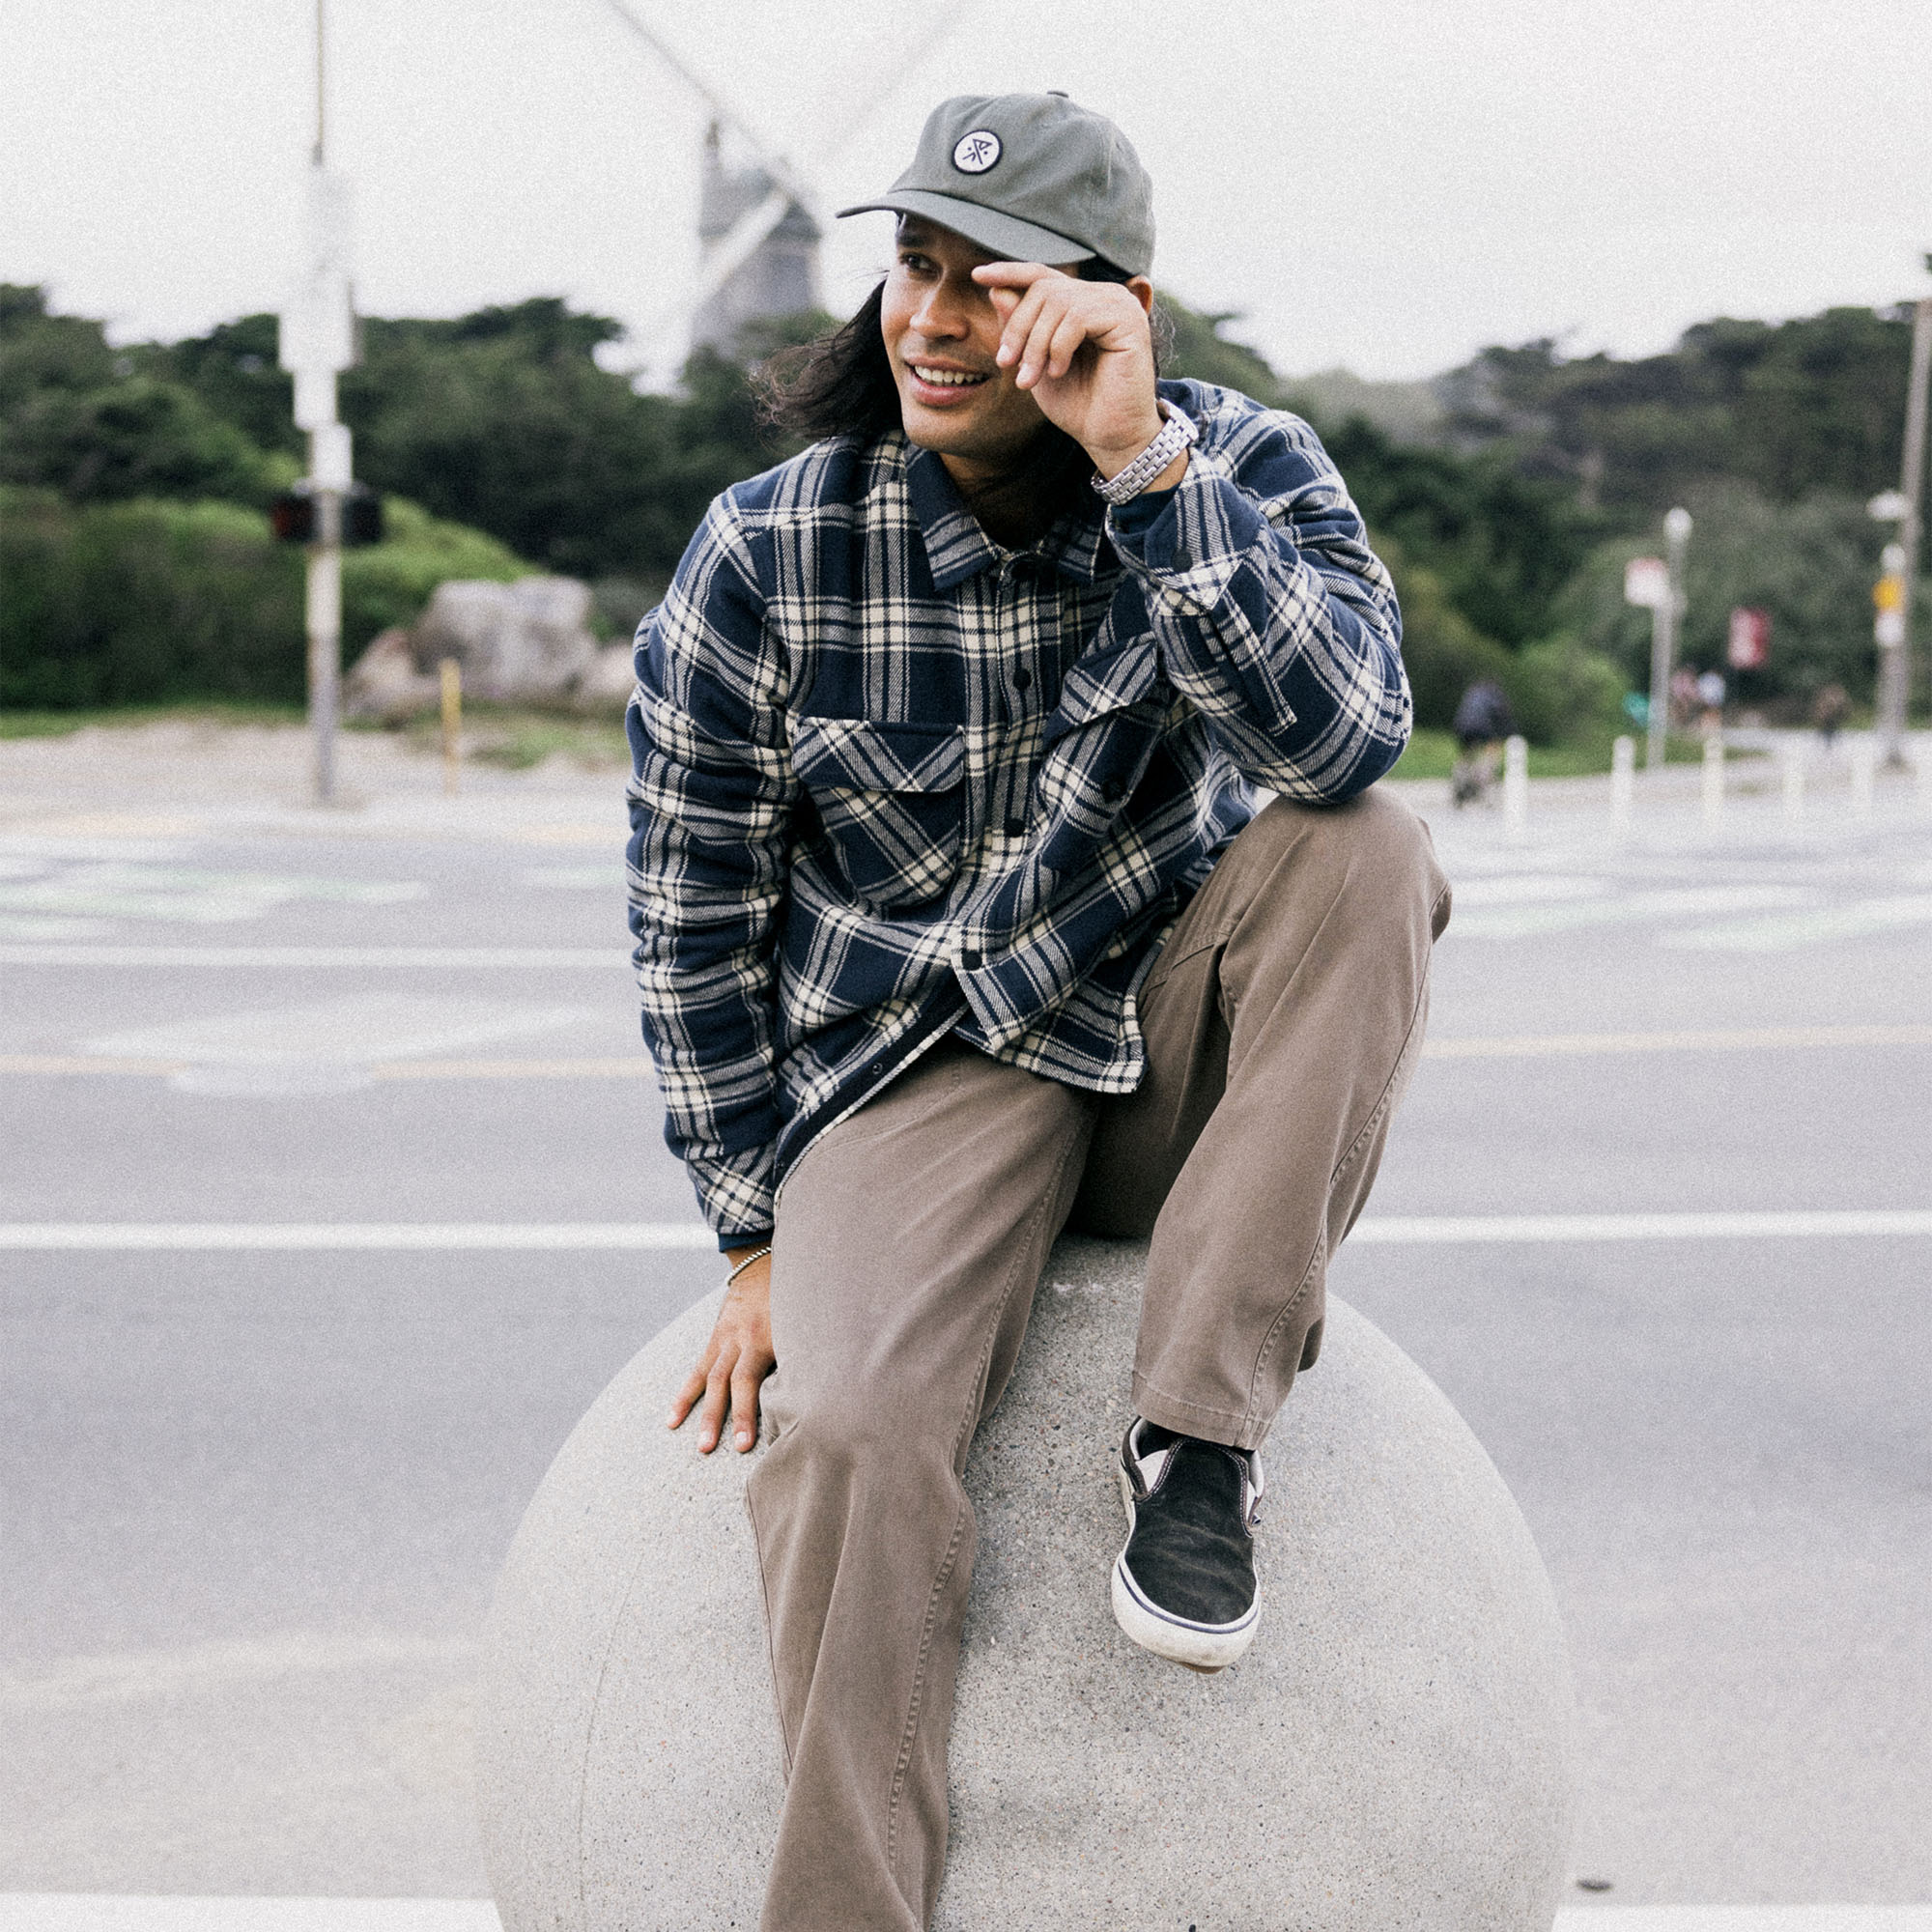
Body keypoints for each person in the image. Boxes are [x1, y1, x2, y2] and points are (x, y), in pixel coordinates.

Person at [626, 92, 1450, 1932]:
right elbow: (691, 917)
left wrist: (1145, 465)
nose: (925, 322)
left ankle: (1199, 1441)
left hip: (1166, 1031)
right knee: (838, 1439)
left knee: (1372, 850)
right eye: (908, 270)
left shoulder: (1239, 466)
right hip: (924, 1070)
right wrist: (755, 1232)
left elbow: (1343, 739)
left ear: (1110, 307)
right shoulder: (771, 551)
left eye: (979, 287)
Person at [1450, 676, 1514, 807]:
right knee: (1492, 751)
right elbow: (1501, 715)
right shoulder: (1494, 694)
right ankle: (1482, 781)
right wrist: (1507, 733)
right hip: (1483, 726)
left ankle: (1460, 778)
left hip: (1463, 726)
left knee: (1466, 755)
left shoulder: (1471, 692)